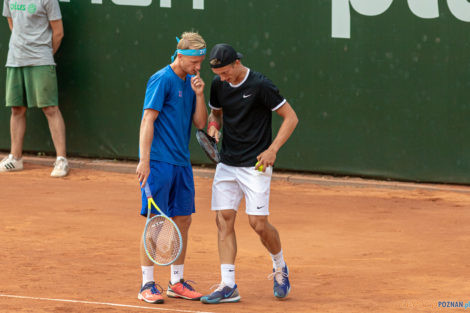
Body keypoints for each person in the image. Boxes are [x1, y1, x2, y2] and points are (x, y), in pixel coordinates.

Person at [200, 43, 299, 304]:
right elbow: (216, 114)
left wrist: (272, 149)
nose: (222, 78)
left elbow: (290, 118)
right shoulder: (219, 85)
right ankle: (228, 284)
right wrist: (213, 126)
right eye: (218, 74)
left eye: (225, 72)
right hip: (227, 162)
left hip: (256, 164)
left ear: (236, 63)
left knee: (258, 224)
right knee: (224, 219)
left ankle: (279, 266)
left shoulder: (260, 85)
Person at [135, 32, 208, 304]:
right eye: (194, 62)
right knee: (156, 224)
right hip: (159, 163)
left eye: (200, 62)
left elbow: (200, 123)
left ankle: (176, 281)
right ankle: (146, 284)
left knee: (183, 221)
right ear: (181, 56)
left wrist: (199, 94)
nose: (198, 67)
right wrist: (144, 161)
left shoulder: (192, 83)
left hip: (182, 163)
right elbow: (148, 120)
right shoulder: (161, 79)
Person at [1, 0, 69, 177]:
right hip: (15, 58)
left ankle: (61, 159)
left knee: (50, 108)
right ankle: (15, 158)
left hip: (41, 59)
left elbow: (58, 32)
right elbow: (12, 23)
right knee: (16, 109)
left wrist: (44, 53)